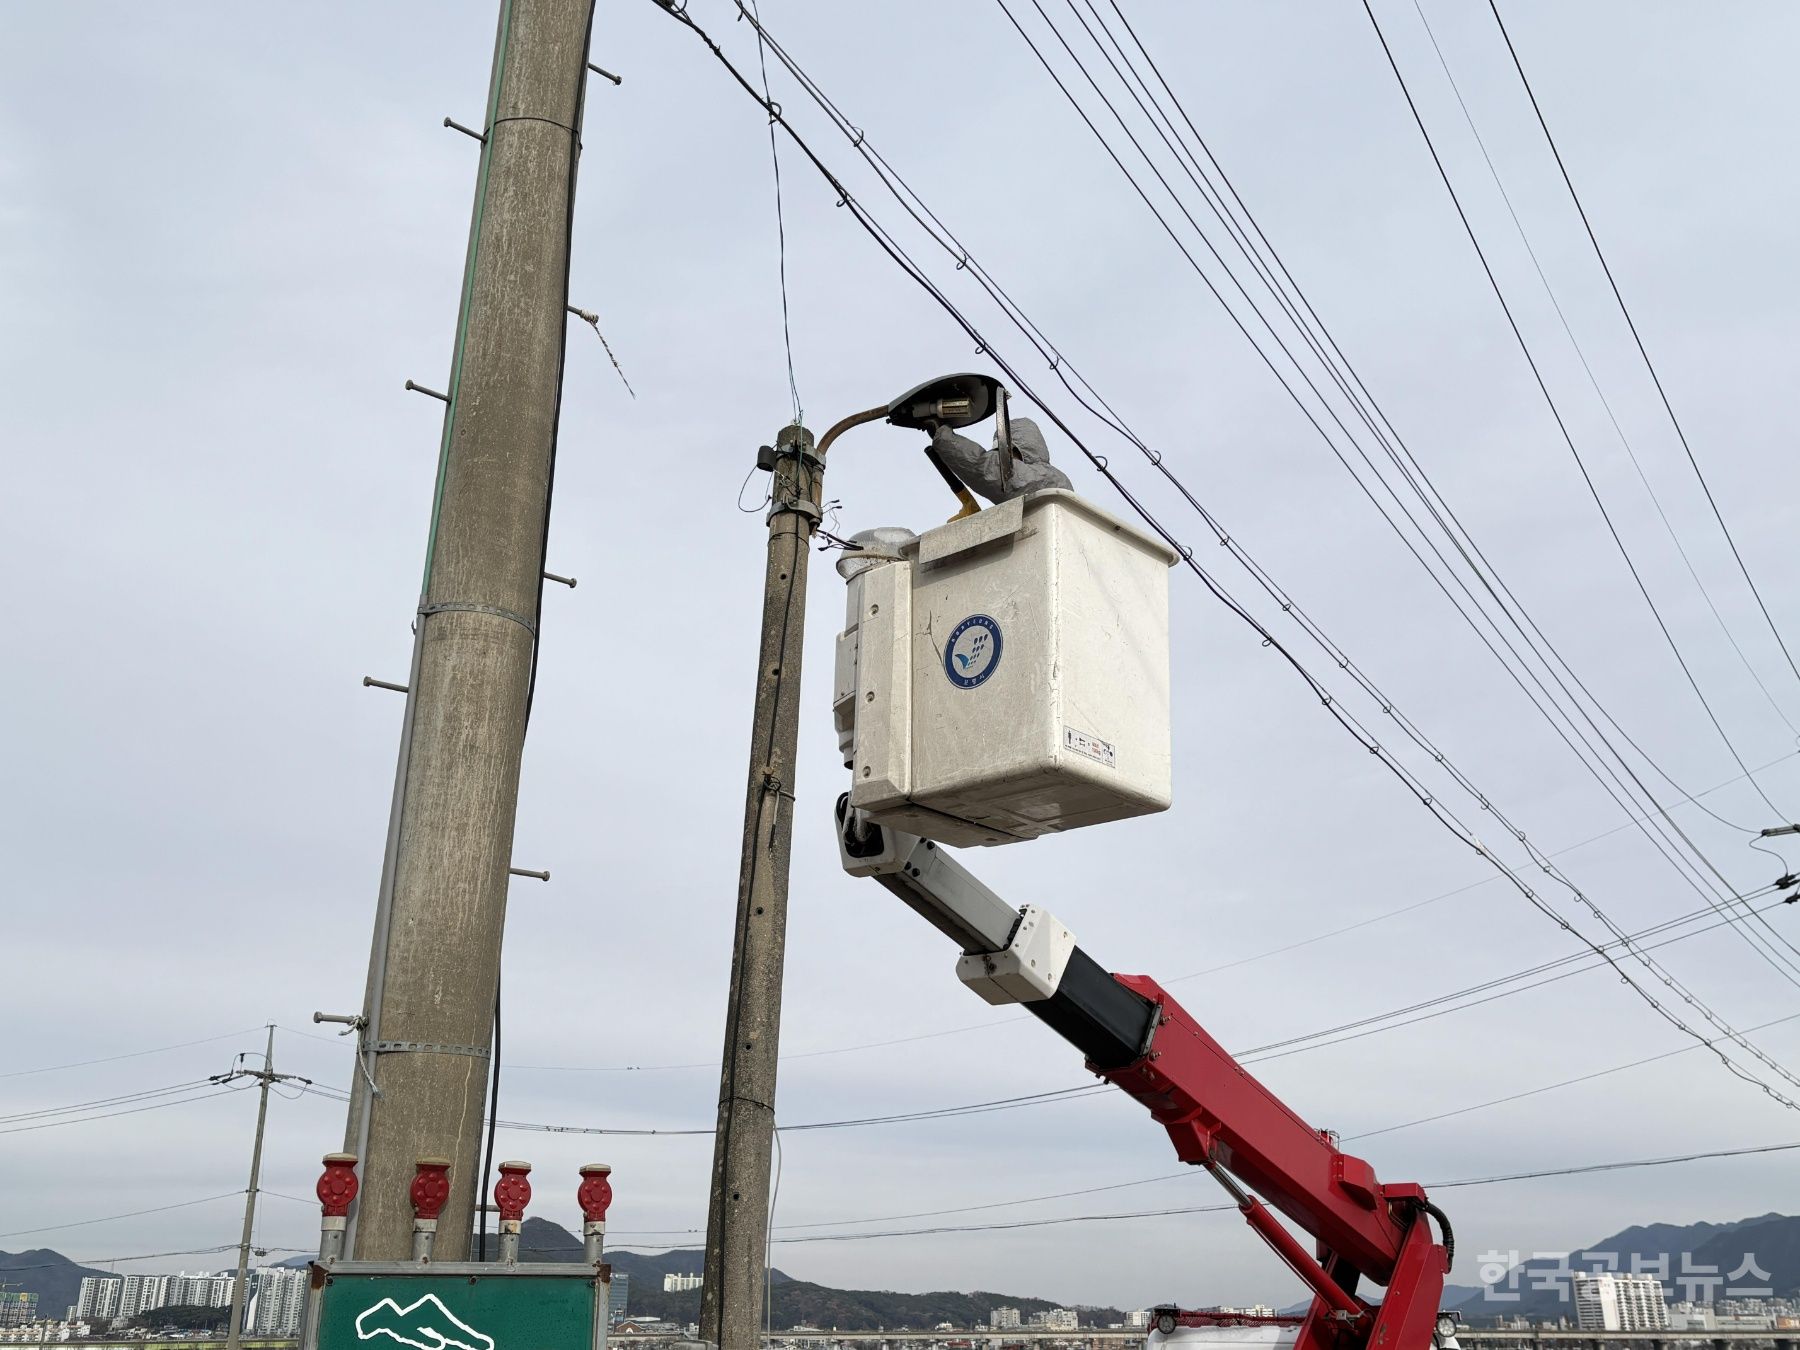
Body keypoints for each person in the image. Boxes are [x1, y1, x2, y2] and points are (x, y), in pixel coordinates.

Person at [928, 415, 1072, 505]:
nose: (1001, 458)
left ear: (1019, 449)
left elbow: (988, 470)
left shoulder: (1048, 478)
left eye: (1002, 452)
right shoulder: (1050, 477)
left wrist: (943, 437)